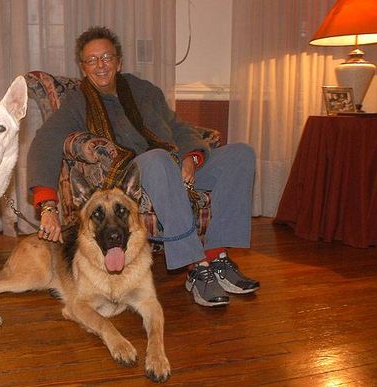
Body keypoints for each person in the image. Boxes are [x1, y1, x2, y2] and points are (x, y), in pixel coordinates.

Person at [27, 26, 259, 307]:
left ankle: (217, 256)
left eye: (106, 57)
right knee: (158, 159)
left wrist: (191, 157)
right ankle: (196, 266)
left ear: (119, 61)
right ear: (83, 66)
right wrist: (47, 205)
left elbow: (177, 126)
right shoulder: (77, 102)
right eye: (92, 60)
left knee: (241, 154)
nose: (100, 65)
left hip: (174, 166)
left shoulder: (144, 90)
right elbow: (45, 141)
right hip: (131, 178)